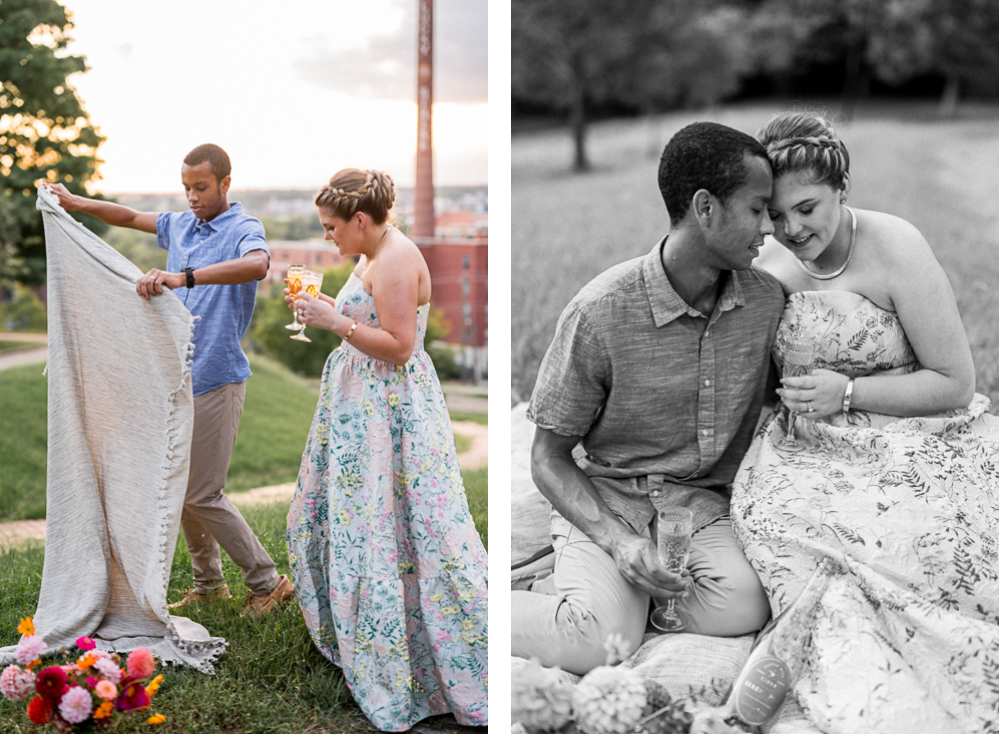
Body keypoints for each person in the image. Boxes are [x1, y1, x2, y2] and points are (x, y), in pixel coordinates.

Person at [730, 112, 998, 733]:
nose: (791, 229)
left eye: (806, 208)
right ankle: (804, 638)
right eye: (774, 214)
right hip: (808, 449)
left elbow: (956, 383)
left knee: (934, 541)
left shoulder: (896, 244)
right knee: (789, 533)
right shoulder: (763, 269)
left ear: (842, 189)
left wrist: (848, 391)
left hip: (920, 434)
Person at [511, 122, 784, 675]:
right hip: (609, 499)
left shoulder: (767, 304)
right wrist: (617, 544)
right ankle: (497, 604)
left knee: (746, 603)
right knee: (597, 641)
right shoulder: (600, 311)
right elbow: (547, 457)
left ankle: (616, 601)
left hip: (699, 508)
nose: (768, 230)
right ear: (705, 208)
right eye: (757, 210)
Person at [46, 143, 295, 617]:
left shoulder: (244, 228)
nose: (192, 197)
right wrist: (76, 203)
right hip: (174, 378)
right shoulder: (181, 224)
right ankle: (208, 585)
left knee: (203, 492)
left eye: (201, 188)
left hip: (218, 378)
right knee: (178, 485)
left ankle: (268, 583)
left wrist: (185, 277)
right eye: (186, 188)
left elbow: (259, 265)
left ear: (225, 183)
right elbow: (128, 216)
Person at [285, 169, 488, 732]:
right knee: (352, 523)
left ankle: (425, 659)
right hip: (360, 409)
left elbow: (400, 347)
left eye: (331, 228)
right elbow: (365, 312)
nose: (327, 237)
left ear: (360, 219)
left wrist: (335, 321)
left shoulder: (396, 257)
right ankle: (365, 642)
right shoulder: (371, 251)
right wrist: (326, 305)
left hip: (390, 412)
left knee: (405, 530)